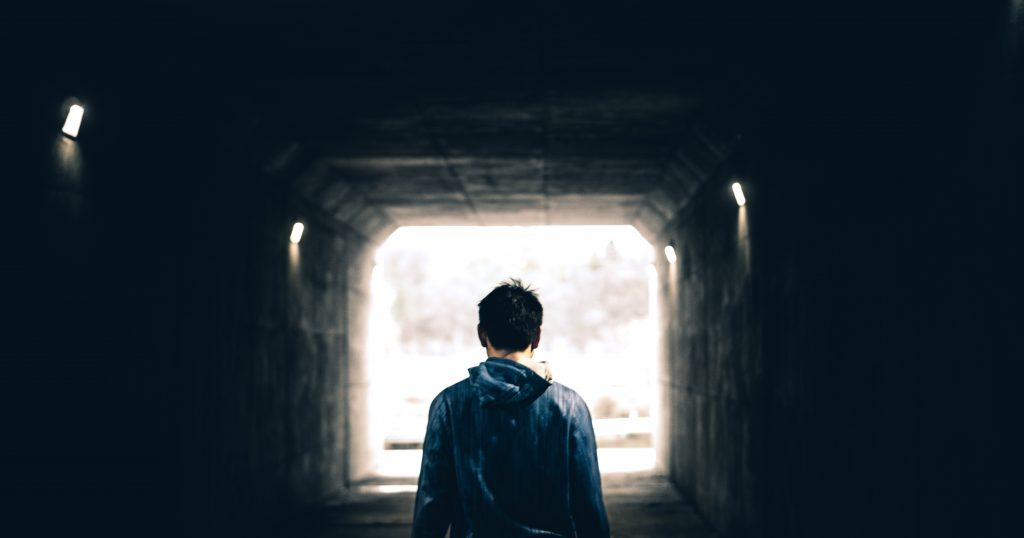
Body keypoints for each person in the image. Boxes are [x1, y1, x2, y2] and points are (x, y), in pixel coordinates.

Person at [411, 279, 610, 538]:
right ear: (536, 336)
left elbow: (433, 504)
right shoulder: (570, 406)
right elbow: (588, 506)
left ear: (482, 334)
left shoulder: (449, 404)